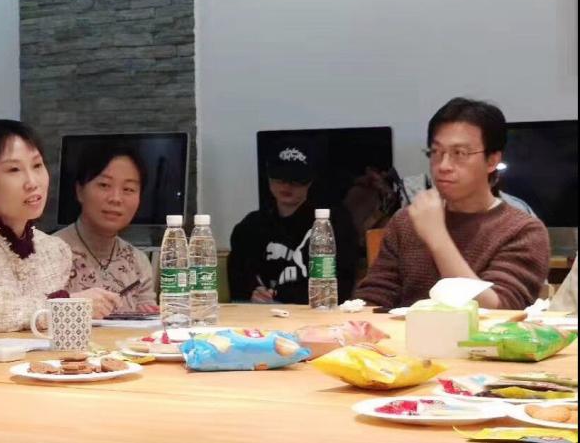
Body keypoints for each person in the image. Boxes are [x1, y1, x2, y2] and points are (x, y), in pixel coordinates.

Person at [356, 98, 550, 309]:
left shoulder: (523, 230)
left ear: (492, 160)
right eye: (436, 152)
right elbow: (374, 298)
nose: (443, 166)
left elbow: (498, 309)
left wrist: (437, 236)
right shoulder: (407, 221)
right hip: (406, 331)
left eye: (460, 153)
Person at [0, 120, 119, 332]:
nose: (32, 182)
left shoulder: (56, 251)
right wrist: (65, 305)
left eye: (37, 165)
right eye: (14, 170)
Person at [227, 143, 358, 304]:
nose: (287, 185)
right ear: (269, 178)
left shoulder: (333, 223)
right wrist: (253, 291)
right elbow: (238, 277)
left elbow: (341, 282)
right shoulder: (250, 226)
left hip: (313, 309)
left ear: (310, 181)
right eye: (279, 178)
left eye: (296, 180)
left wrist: (282, 297)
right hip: (260, 311)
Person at [54, 143, 157, 313]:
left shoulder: (138, 262)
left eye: (128, 189)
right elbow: (34, 315)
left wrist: (150, 312)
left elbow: (148, 314)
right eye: (104, 185)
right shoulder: (49, 253)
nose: (116, 198)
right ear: (79, 191)